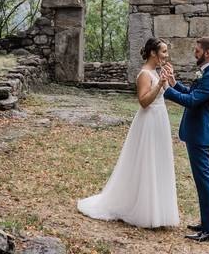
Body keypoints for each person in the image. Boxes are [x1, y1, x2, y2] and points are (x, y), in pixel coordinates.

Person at [76, 37, 180, 228]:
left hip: (160, 120)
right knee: (146, 162)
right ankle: (144, 210)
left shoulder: (157, 72)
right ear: (153, 53)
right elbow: (143, 102)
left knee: (158, 161)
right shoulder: (144, 74)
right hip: (148, 122)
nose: (166, 55)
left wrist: (170, 80)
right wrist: (159, 85)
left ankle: (158, 209)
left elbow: (169, 93)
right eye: (163, 51)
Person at [162, 36, 209, 243]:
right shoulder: (208, 73)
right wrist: (174, 83)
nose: (194, 52)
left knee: (204, 181)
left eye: (197, 50)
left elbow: (191, 101)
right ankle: (206, 223)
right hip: (196, 133)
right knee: (201, 181)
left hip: (200, 135)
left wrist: (165, 89)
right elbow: (191, 92)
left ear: (207, 53)